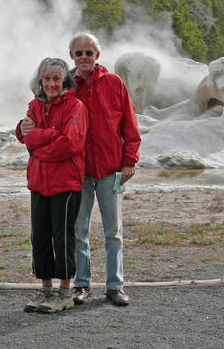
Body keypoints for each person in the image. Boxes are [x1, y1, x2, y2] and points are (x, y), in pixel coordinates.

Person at [68, 33, 141, 307]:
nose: (84, 57)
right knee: (79, 230)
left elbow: (129, 124)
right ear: (72, 57)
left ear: (97, 55)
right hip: (79, 171)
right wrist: (24, 127)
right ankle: (81, 284)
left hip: (113, 170)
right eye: (79, 53)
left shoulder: (114, 82)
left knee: (114, 231)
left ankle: (115, 286)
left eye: (89, 52)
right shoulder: (67, 86)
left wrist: (130, 161)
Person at [16, 57, 88, 313]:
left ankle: (65, 292)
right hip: (39, 180)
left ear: (65, 80)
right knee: (40, 235)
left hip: (66, 182)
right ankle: (46, 289)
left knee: (62, 236)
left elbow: (70, 143)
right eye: (47, 78)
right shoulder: (35, 106)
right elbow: (26, 137)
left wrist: (39, 149)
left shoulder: (75, 106)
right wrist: (25, 131)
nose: (51, 84)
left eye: (57, 78)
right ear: (40, 81)